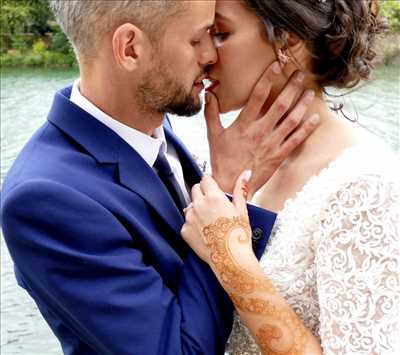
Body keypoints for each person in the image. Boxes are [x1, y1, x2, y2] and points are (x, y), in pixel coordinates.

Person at [0, 1, 319, 354]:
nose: (212, 55)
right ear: (130, 48)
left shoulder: (151, 121)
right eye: (198, 39)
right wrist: (225, 189)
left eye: (216, 34)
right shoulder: (45, 200)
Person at [182, 0, 400, 354]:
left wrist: (231, 260)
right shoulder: (232, 165)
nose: (205, 54)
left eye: (220, 34)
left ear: (288, 38)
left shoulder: (366, 186)